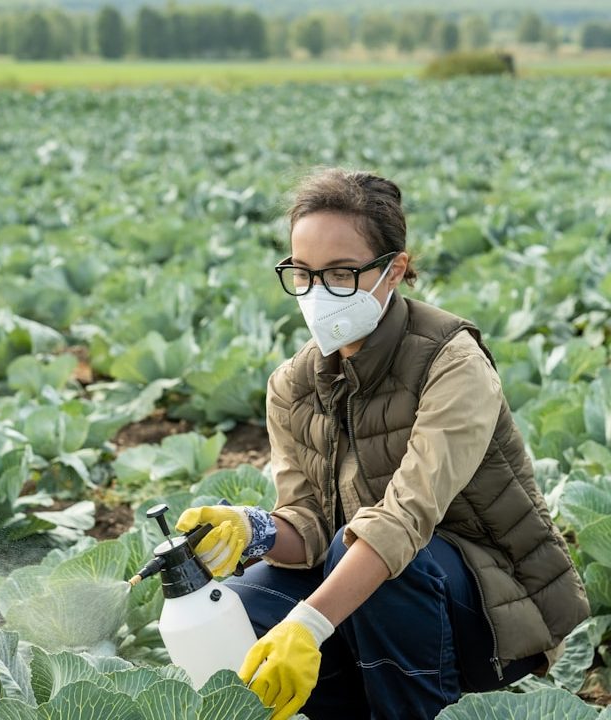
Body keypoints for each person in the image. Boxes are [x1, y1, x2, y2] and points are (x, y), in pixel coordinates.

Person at [176, 167, 589, 720]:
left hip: (495, 608)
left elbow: (405, 517)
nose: (318, 292)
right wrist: (255, 530)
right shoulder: (293, 384)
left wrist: (308, 624)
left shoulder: (452, 361)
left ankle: (414, 711)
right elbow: (309, 523)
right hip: (373, 594)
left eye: (341, 273)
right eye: (303, 273)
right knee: (243, 601)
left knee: (374, 555)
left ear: (393, 270)